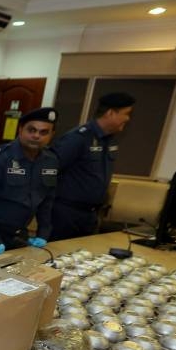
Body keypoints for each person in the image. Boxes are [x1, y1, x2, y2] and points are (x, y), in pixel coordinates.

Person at [0, 107, 59, 259]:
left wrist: (43, 233)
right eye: (31, 130)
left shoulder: (51, 161)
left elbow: (47, 200)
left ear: (52, 135)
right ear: (20, 130)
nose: (36, 136)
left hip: (18, 233)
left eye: (43, 132)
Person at [49, 92, 135, 240]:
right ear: (110, 113)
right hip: (66, 213)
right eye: (126, 114)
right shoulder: (78, 138)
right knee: (58, 257)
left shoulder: (110, 140)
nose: (128, 118)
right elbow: (49, 170)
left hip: (90, 214)